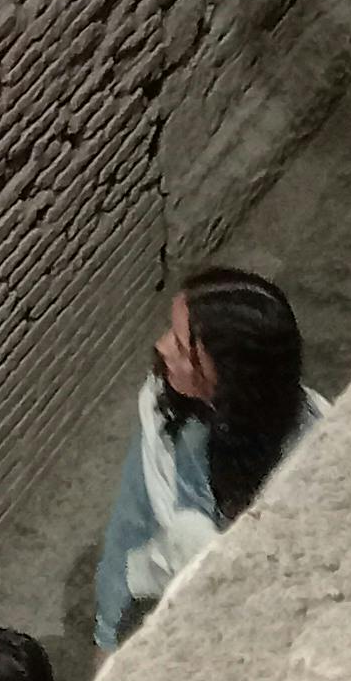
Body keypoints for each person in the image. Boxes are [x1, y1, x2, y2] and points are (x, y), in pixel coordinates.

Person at [92, 267, 325, 653]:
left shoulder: (311, 458)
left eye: (183, 349)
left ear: (232, 379)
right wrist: (109, 634)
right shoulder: (165, 405)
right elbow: (132, 528)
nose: (162, 347)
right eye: (171, 331)